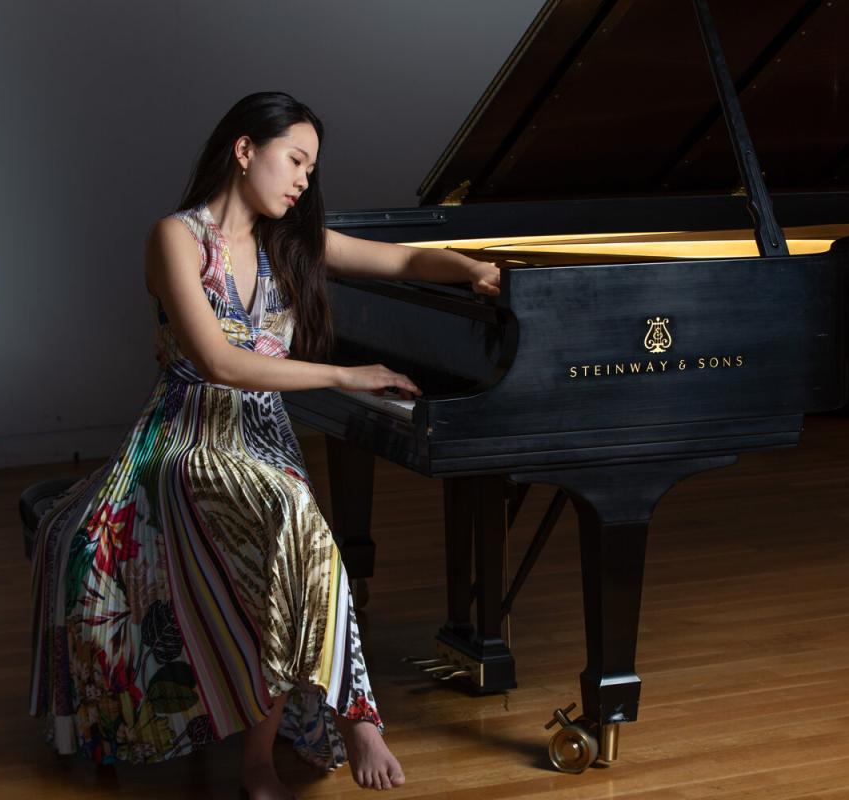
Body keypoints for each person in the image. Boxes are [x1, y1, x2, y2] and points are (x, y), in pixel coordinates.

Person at [28, 91, 500, 799]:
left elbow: (400, 263)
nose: (305, 179)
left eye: (311, 167)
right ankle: (342, 720)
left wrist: (468, 269)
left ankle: (286, 743)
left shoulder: (292, 241)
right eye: (295, 160)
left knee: (297, 534)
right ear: (245, 150)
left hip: (265, 437)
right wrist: (345, 373)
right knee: (294, 515)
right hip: (187, 438)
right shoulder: (176, 238)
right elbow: (219, 364)